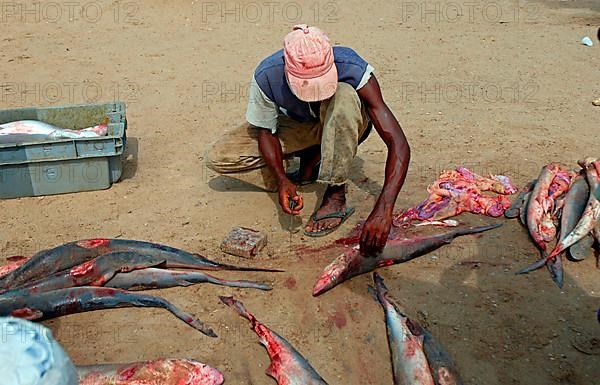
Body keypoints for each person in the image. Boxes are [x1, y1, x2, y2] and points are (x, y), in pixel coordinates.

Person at [205, 24, 410, 255]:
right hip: (300, 125)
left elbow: (398, 143)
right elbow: (266, 132)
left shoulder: (353, 68)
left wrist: (384, 208)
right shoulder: (267, 75)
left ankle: (335, 191)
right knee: (219, 157)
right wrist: (281, 178)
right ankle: (308, 163)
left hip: (345, 121)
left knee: (343, 96)